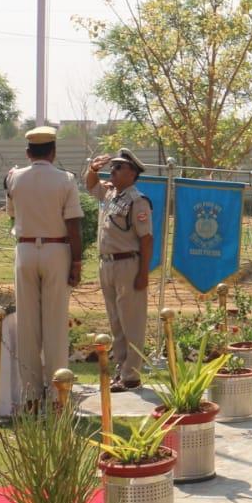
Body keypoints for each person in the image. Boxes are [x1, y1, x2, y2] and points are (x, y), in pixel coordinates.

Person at [5, 126, 84, 411]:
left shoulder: (14, 179)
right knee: (55, 325)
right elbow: (73, 224)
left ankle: (30, 396)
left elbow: (12, 213)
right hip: (56, 249)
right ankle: (57, 394)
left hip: (25, 249)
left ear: (28, 152)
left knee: (27, 324)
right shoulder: (65, 179)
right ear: (53, 151)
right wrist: (76, 261)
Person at [84, 148, 154, 392]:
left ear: (132, 173)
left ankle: (131, 375)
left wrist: (143, 273)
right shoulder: (111, 194)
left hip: (128, 264)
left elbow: (146, 239)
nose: (111, 171)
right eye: (111, 167)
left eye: (118, 167)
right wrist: (93, 168)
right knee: (116, 321)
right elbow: (90, 185)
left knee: (131, 321)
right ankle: (122, 369)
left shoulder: (137, 200)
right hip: (107, 263)